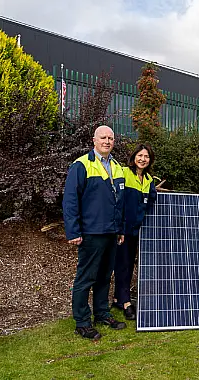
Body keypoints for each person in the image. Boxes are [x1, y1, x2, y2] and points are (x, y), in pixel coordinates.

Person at [63, 125, 127, 339]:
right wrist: (73, 232)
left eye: (111, 138)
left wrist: (120, 229)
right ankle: (82, 322)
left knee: (104, 277)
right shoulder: (81, 165)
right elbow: (70, 200)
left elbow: (120, 201)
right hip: (91, 233)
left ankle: (102, 313)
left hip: (111, 232)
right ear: (94, 140)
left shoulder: (117, 167)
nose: (107, 141)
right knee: (86, 277)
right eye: (103, 138)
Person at [111, 144, 157, 320]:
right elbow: (117, 201)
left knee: (128, 264)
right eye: (140, 155)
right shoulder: (123, 173)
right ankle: (125, 302)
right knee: (123, 264)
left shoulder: (148, 180)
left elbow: (151, 200)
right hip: (123, 230)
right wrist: (119, 228)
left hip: (137, 230)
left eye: (146, 156)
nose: (143, 159)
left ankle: (118, 298)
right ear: (134, 157)